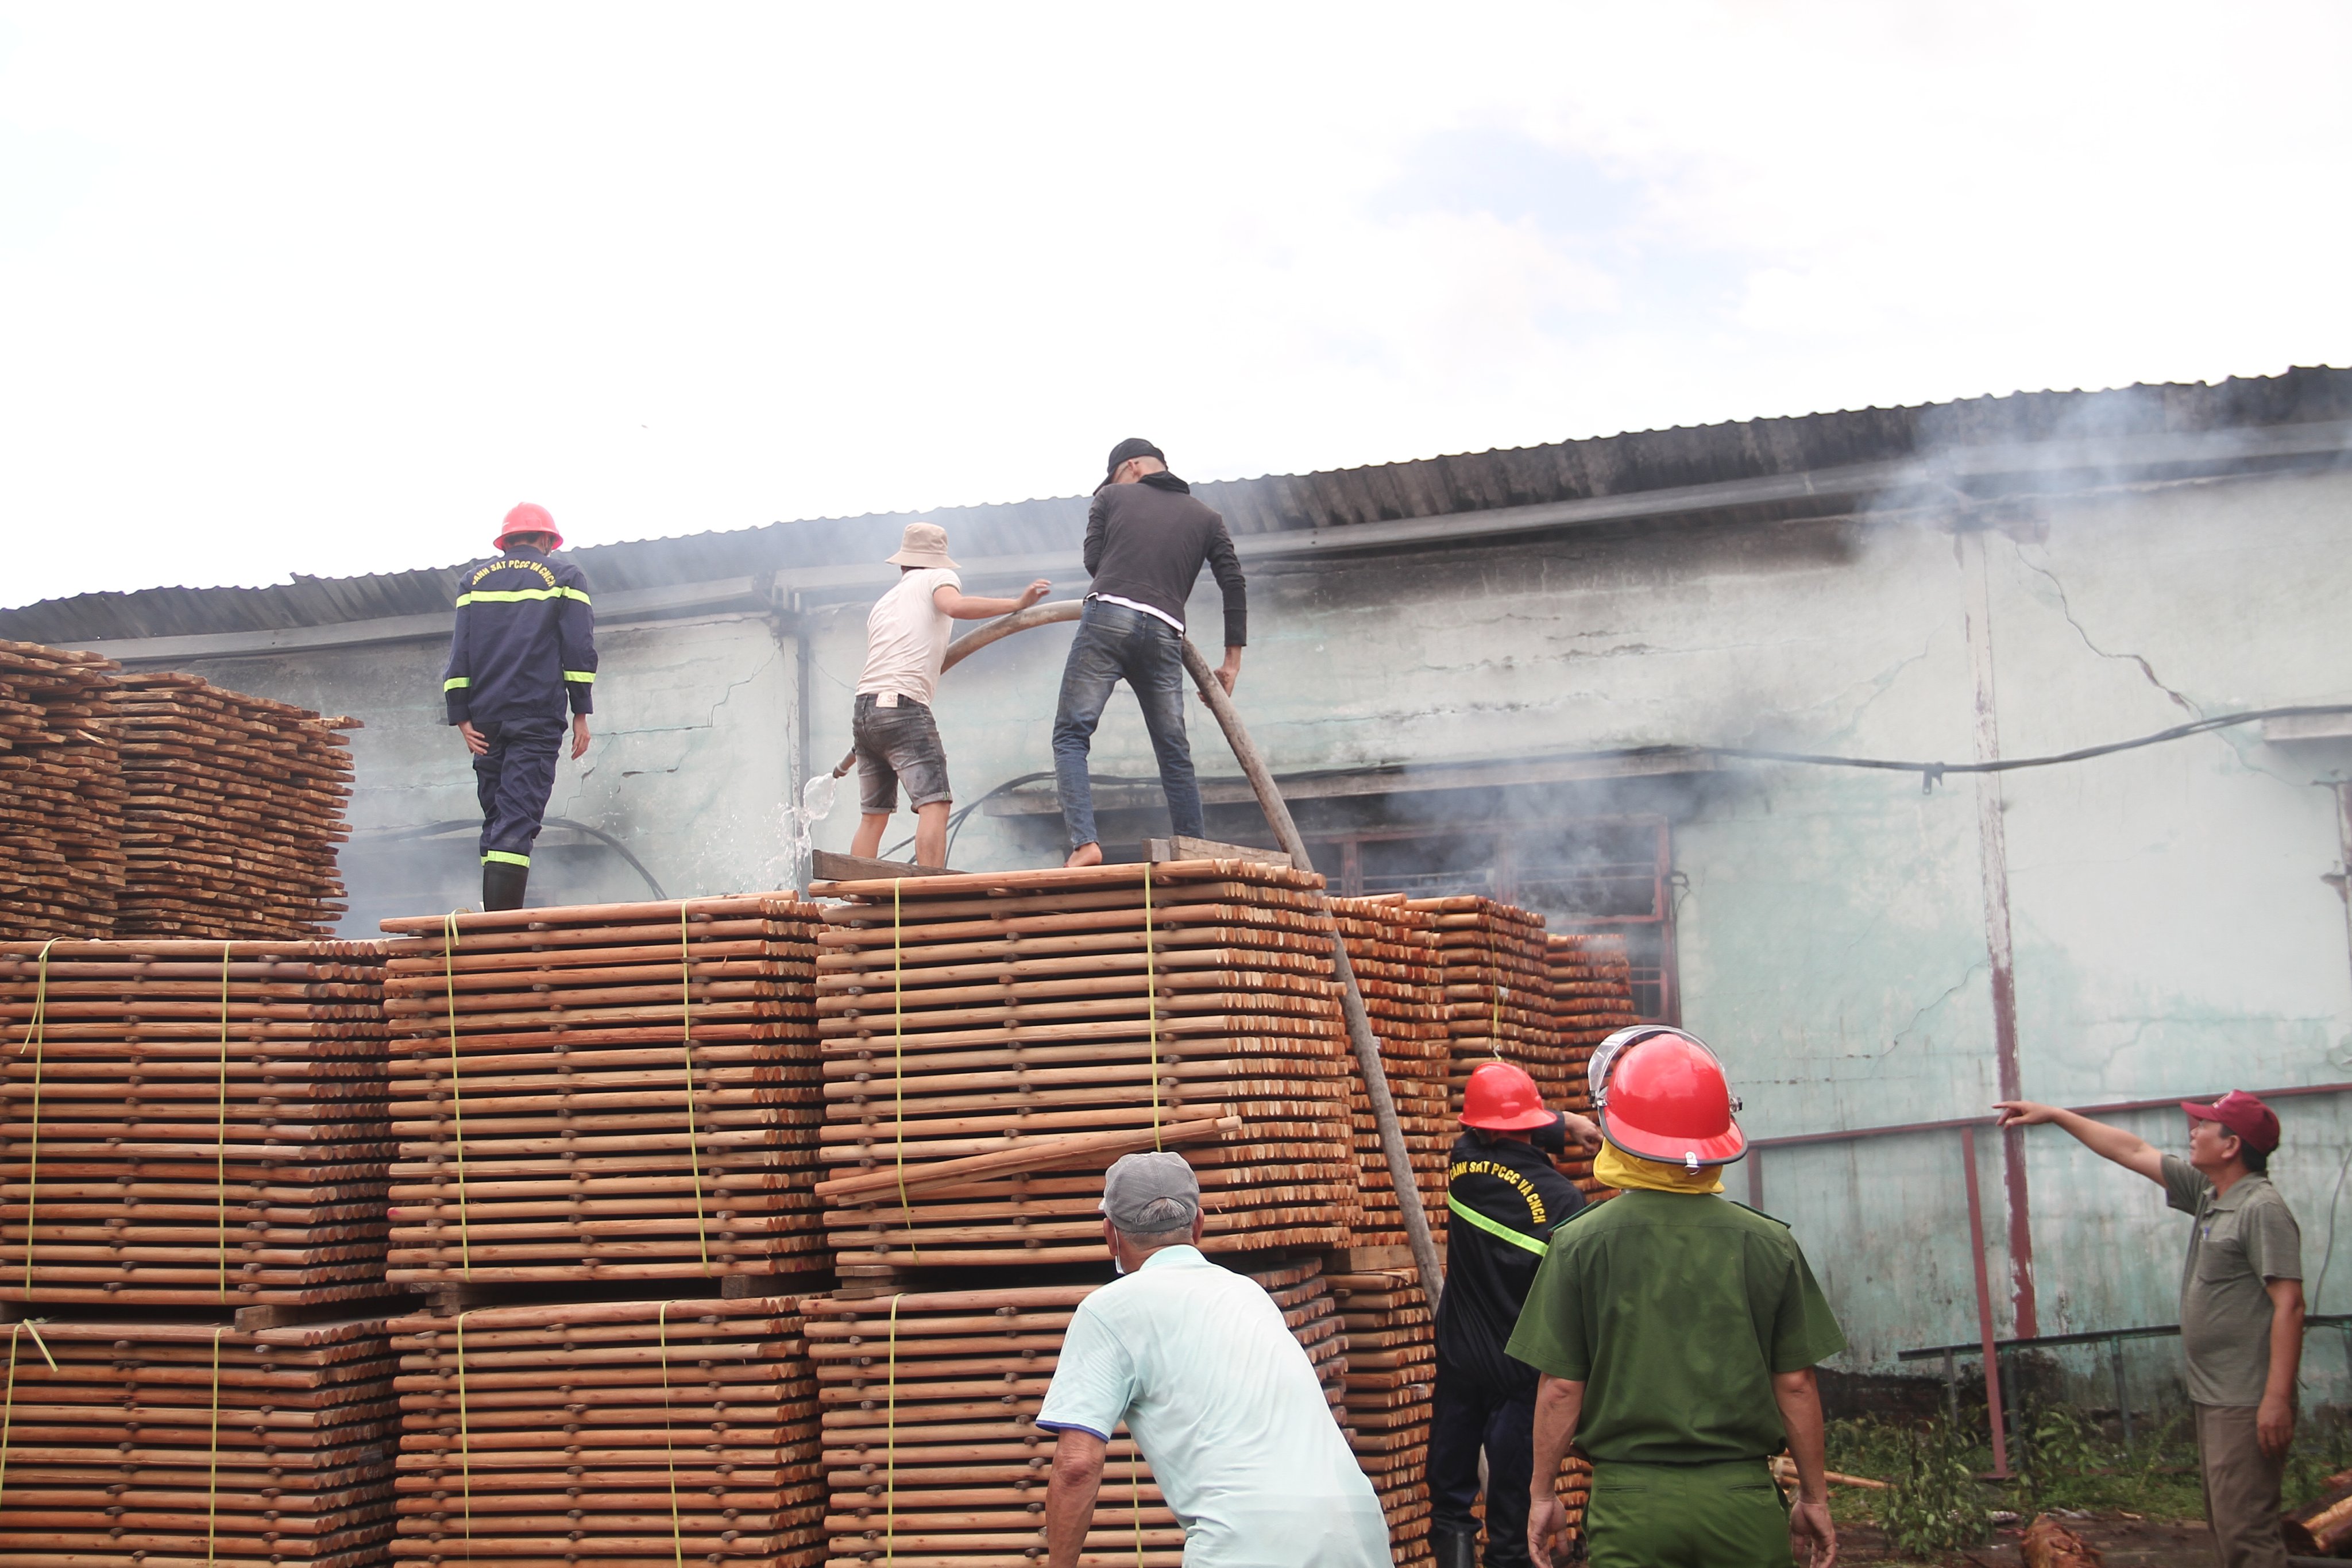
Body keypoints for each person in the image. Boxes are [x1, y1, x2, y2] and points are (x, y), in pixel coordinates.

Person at [1511, 1026, 1845, 1568]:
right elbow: (1797, 1384)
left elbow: (1560, 1389)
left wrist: (1542, 1495)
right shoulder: (1768, 1244)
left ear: (1616, 1128)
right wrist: (1813, 1498)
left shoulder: (1578, 1244)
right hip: (1742, 1504)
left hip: (1630, 1508)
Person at [1034, 1152, 1388, 1568]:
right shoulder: (1248, 1294)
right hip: (1358, 1531)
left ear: (1110, 1234)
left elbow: (1077, 1465)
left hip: (1250, 1542)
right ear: (1198, 1224)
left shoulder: (1110, 1310)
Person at [1995, 1090, 2303, 1568]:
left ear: (2231, 1146)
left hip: (2245, 1399)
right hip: (2217, 1395)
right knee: (2227, 1526)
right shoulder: (2211, 1194)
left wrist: (2276, 1400)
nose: (2192, 1133)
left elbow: (2289, 1305)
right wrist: (2055, 1114)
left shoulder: (2259, 1208)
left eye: (2204, 1127)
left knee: (2248, 1536)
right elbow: (2131, 1151)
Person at [1430, 1062, 1600, 1568]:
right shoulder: (1564, 1200)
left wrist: (1564, 1121)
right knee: (1513, 1508)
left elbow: (1488, 1132)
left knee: (1449, 1498)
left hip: (1460, 1358)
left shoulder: (1462, 1166)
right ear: (1528, 1123)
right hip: (1520, 1369)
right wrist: (1575, 1126)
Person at [1052, 438, 1246, 868]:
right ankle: (1194, 850)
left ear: (1134, 466)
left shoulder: (1111, 496)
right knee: (1174, 750)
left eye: (1118, 474)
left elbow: (1094, 562)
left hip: (1109, 616)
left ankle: (1085, 843)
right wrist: (1231, 662)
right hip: (1165, 632)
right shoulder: (1208, 518)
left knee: (1071, 735)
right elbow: (1233, 582)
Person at [847, 522, 1049, 867]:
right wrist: (1017, 602)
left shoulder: (884, 603)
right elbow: (953, 606)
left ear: (903, 563)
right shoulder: (937, 578)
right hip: (903, 706)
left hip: (865, 710)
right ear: (938, 561)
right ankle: (931, 893)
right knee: (935, 804)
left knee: (873, 815)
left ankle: (852, 897)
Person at [441, 503, 596, 912]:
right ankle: (500, 931)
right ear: (548, 539)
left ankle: (491, 924)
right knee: (518, 817)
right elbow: (578, 648)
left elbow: (461, 652)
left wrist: (460, 716)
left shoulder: (472, 581)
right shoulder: (566, 576)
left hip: (484, 720)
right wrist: (581, 712)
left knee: (496, 818)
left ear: (507, 540)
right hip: (535, 715)